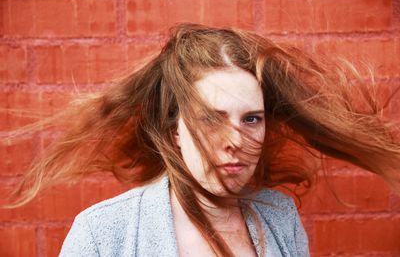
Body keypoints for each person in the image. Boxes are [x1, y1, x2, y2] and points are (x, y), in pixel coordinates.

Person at [3, 23, 400, 257]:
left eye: (251, 118)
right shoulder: (104, 232)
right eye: (211, 119)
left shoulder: (279, 217)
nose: (234, 140)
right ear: (175, 129)